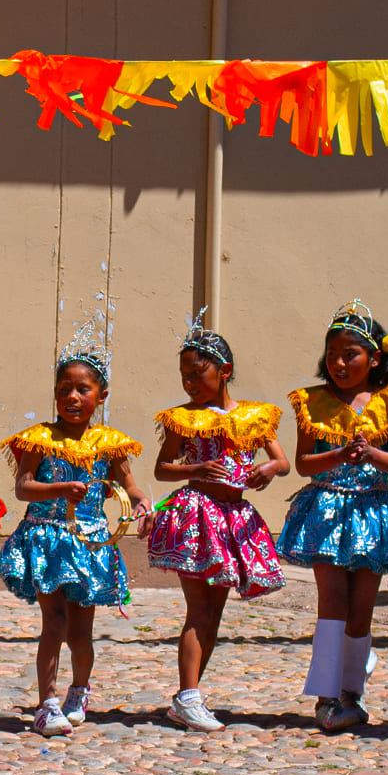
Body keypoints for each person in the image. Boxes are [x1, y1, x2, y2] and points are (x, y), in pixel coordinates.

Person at [0, 311, 152, 737]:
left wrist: (141, 504)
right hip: (47, 539)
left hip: (90, 543)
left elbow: (130, 487)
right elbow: (23, 487)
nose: (72, 397)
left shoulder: (110, 445)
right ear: (55, 394)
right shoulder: (39, 439)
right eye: (64, 389)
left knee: (81, 631)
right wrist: (60, 489)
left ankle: (78, 691)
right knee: (54, 622)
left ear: (101, 396)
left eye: (83, 389)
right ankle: (46, 703)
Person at [277, 299, 388, 733]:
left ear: (374, 358)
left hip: (373, 513)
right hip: (328, 512)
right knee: (333, 604)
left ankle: (352, 692)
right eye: (333, 354)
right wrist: (339, 454)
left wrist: (373, 453)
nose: (339, 363)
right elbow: (304, 462)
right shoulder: (312, 402)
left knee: (361, 611)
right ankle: (325, 696)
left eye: (350, 354)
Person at [145, 311, 288, 732]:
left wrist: (268, 469)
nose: (189, 382)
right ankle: (188, 696)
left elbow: (281, 460)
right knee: (198, 609)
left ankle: (188, 697)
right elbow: (162, 468)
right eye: (184, 375)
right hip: (197, 516)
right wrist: (197, 469)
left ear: (224, 371)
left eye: (197, 373)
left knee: (214, 613)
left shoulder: (255, 417)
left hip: (234, 521)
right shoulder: (183, 418)